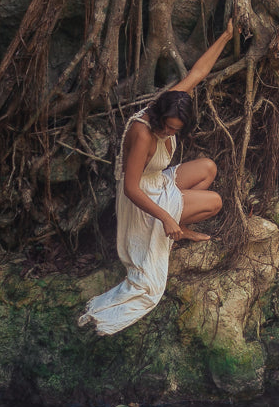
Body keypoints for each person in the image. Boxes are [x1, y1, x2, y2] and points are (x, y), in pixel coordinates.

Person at [78, 20, 233, 335]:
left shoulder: (172, 102)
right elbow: (131, 188)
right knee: (215, 202)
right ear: (159, 116)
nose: (170, 132)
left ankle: (176, 226)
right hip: (140, 198)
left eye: (176, 129)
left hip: (158, 181)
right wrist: (165, 216)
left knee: (208, 168)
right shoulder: (143, 133)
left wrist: (227, 35)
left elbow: (198, 73)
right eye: (168, 127)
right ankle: (174, 228)